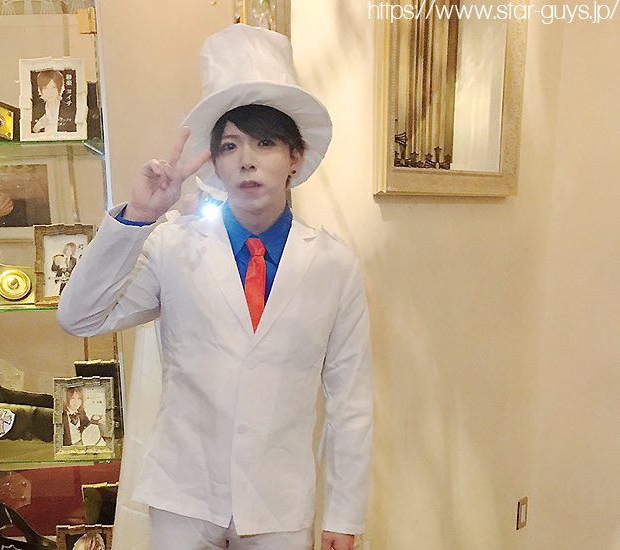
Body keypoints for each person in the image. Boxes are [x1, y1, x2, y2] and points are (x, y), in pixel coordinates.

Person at [57, 24, 373, 550]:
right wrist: (138, 216)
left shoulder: (334, 265)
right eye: (229, 146)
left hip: (278, 504)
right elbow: (79, 317)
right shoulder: (171, 245)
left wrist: (344, 514)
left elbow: (350, 399)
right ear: (215, 162)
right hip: (184, 495)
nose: (246, 159)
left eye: (265, 142)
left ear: (295, 156)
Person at [32, 69, 77, 134]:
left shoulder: (70, 110)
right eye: (45, 88)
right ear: (40, 90)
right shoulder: (35, 110)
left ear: (60, 88)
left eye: (53, 87)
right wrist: (37, 127)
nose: (50, 92)